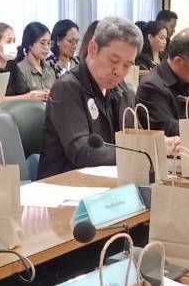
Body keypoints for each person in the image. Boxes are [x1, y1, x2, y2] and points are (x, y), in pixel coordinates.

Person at [40, 16, 154, 179]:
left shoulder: (123, 90)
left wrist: (159, 144)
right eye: (114, 60)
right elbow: (83, 152)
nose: (119, 71)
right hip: (65, 184)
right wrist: (141, 151)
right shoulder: (67, 88)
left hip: (112, 182)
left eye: (127, 65)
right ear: (93, 49)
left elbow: (136, 137)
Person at [15, 21, 55, 96]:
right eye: (42, 43)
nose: (47, 47)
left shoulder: (50, 70)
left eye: (49, 43)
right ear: (30, 44)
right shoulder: (20, 70)